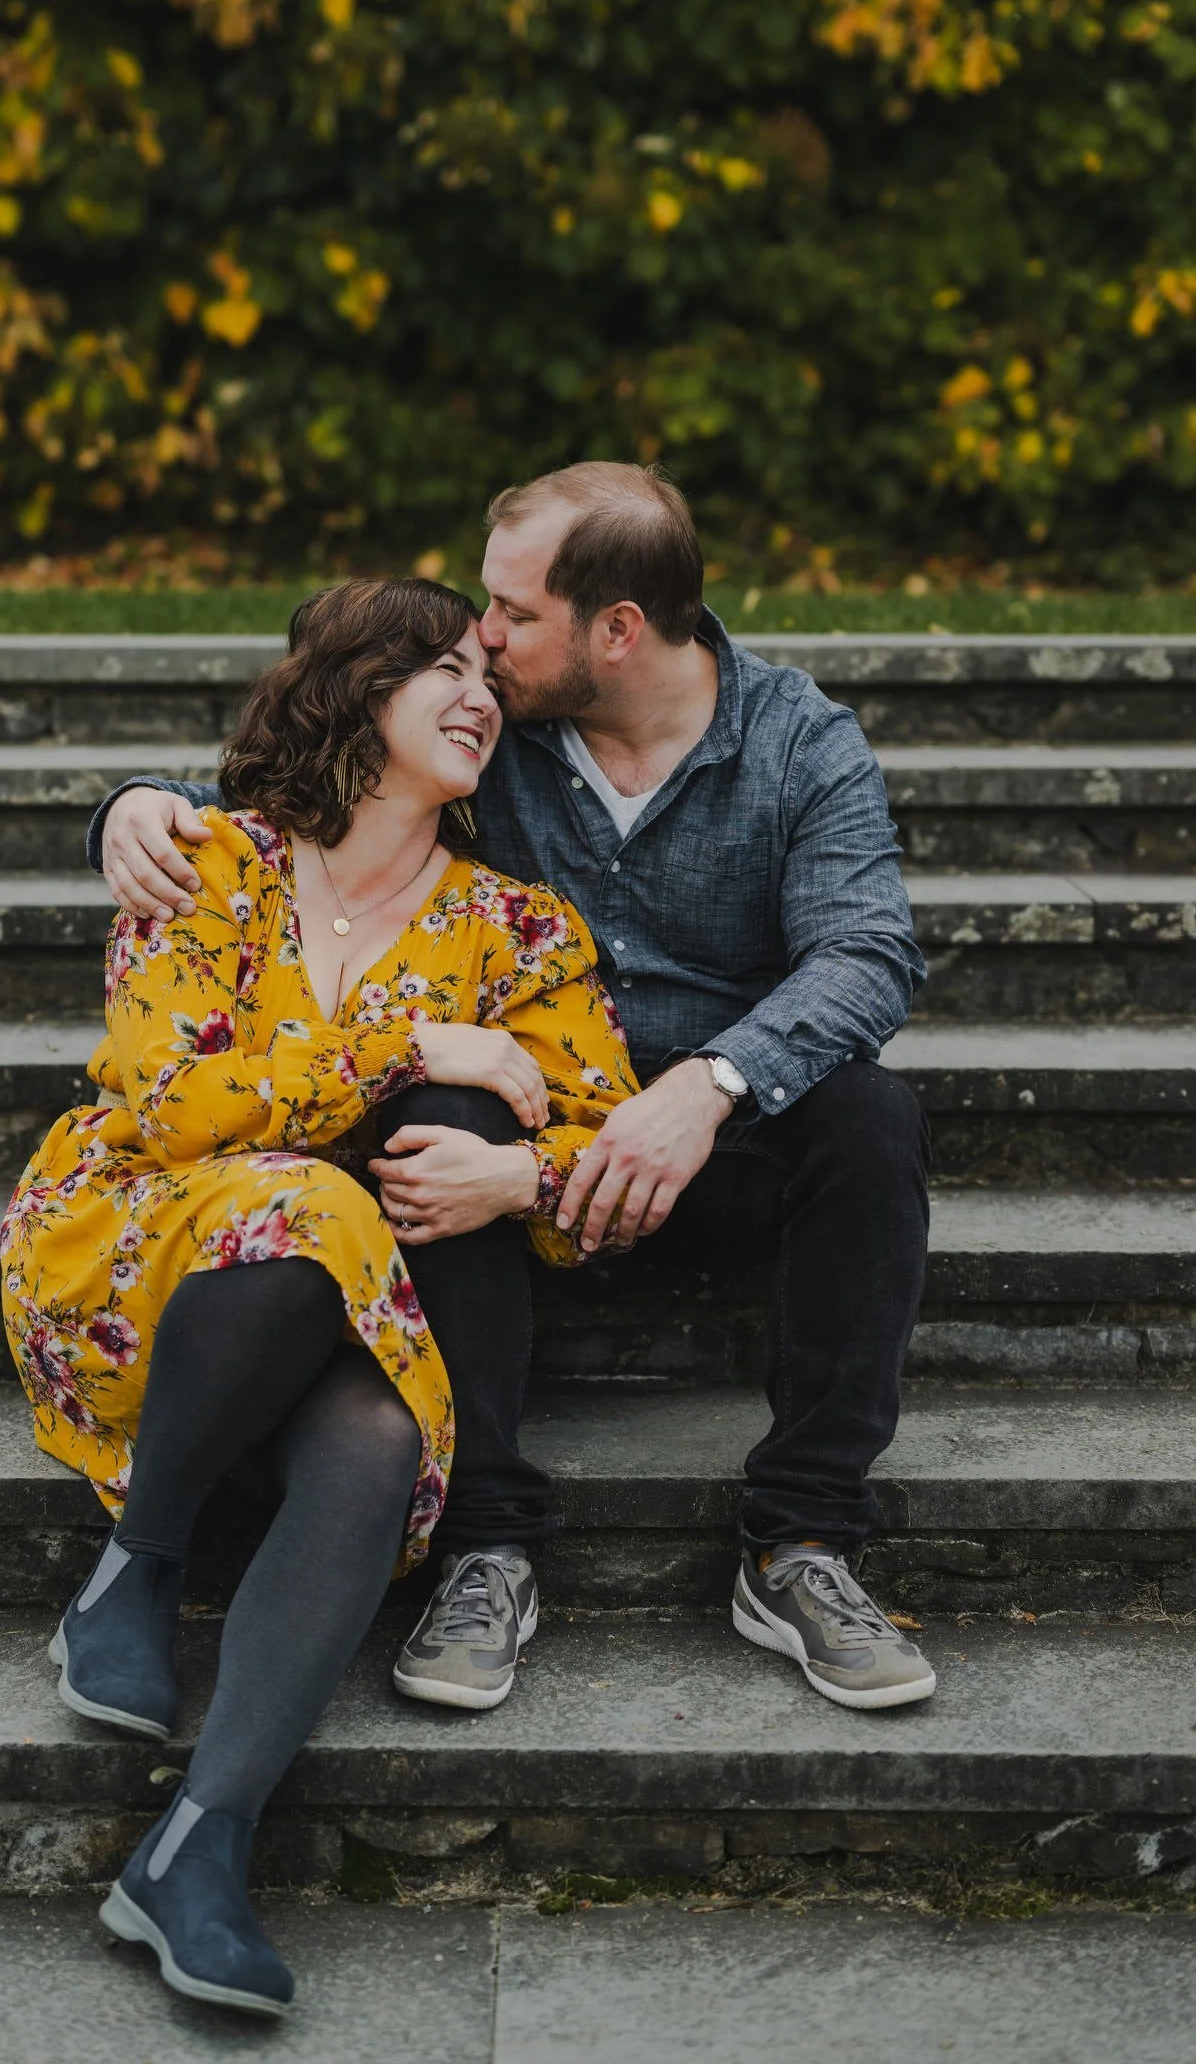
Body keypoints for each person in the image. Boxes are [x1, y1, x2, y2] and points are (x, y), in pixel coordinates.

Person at [94, 462, 939, 1717]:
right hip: (513, 1145)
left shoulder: (794, 741)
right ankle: (487, 1539)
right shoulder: (499, 724)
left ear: (615, 630)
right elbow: (306, 755)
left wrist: (708, 1085)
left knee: (869, 1115)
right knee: (447, 1105)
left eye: (511, 612)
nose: (481, 639)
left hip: (708, 1147)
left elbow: (868, 952)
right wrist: (134, 803)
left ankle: (800, 1543)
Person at [2, 574, 635, 2015]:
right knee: (316, 1195)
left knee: (379, 1439)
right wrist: (416, 1044)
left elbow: (602, 1129)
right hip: (133, 1246)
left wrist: (517, 1180)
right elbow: (171, 1101)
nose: (482, 693)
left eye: (492, 673)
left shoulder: (521, 935)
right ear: (356, 690)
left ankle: (198, 1846)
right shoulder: (209, 865)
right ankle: (140, 1564)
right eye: (444, 670)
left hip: (341, 1293)